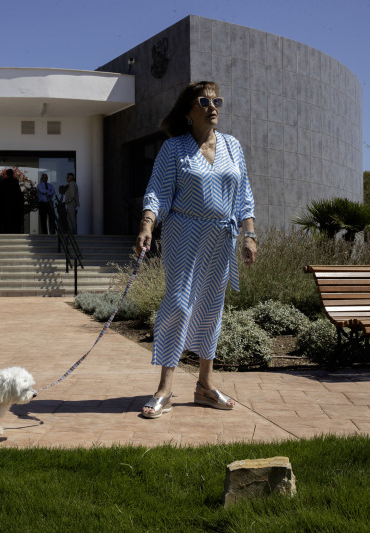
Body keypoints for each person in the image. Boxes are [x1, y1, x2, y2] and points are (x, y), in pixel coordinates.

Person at [135, 81, 257, 418]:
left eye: (217, 99)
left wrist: (249, 235)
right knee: (177, 304)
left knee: (210, 307)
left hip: (221, 237)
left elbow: (244, 194)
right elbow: (157, 191)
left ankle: (205, 385)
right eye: (204, 101)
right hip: (184, 232)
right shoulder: (174, 148)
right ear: (189, 110)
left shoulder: (233, 146)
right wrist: (147, 224)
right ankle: (165, 388)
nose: (212, 106)